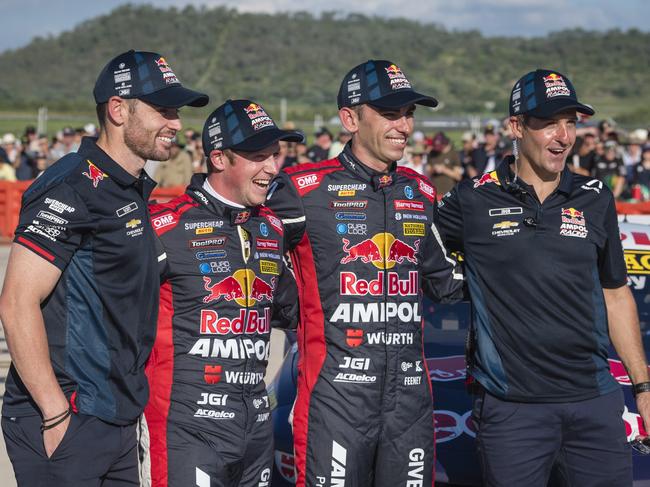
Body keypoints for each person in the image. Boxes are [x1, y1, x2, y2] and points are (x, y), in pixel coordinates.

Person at [0, 49, 208, 486]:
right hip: (66, 416)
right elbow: (17, 302)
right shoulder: (73, 184)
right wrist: (55, 412)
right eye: (163, 109)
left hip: (115, 413)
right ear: (118, 109)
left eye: (177, 111)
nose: (176, 122)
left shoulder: (128, 188)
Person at [437, 68, 649, 487]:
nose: (564, 136)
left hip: (595, 403)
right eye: (549, 123)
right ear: (516, 127)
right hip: (512, 410)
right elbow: (415, 253)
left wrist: (642, 386)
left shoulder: (595, 196)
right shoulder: (472, 199)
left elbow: (616, 292)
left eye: (570, 123)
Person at [266, 59, 463, 487]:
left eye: (409, 114)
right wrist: (287, 309)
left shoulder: (420, 189)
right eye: (391, 114)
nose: (404, 126)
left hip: (410, 401)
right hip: (335, 400)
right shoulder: (301, 188)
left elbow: (446, 283)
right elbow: (248, 259)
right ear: (350, 118)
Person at [142, 99, 300, 487]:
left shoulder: (272, 228)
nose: (271, 168)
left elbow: (292, 312)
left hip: (256, 426)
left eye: (274, 155)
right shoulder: (163, 227)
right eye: (258, 156)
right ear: (219, 158)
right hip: (186, 429)